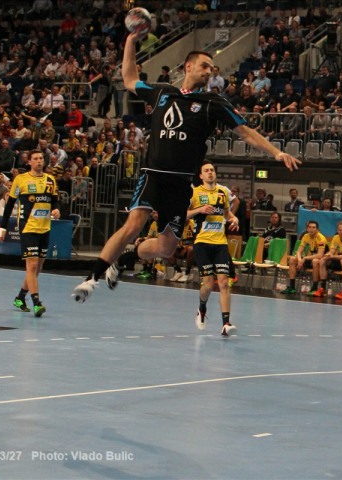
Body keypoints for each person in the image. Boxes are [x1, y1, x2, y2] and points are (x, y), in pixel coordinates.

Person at [72, 33, 301, 303]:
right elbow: (130, 79)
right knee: (133, 225)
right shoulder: (162, 92)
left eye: (212, 69)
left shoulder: (213, 103)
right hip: (153, 175)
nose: (209, 72)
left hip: (181, 184)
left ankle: (124, 259)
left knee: (166, 248)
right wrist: (130, 42)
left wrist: (276, 152)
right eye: (204, 66)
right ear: (188, 66)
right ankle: (91, 279)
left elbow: (245, 132)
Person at [0, 150, 60, 317]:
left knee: (38, 267)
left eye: (41, 158)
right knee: (31, 266)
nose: (39, 161)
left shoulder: (50, 180)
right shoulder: (21, 179)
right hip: (28, 228)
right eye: (36, 159)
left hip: (44, 228)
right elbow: (10, 204)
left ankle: (20, 298)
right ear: (30, 162)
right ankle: (37, 303)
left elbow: (55, 201)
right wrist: (3, 228)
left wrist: (56, 210)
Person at [187, 162, 239, 336]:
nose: (210, 173)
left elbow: (227, 213)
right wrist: (200, 209)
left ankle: (226, 324)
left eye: (212, 170)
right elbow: (183, 214)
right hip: (202, 243)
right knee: (208, 285)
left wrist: (234, 219)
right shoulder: (195, 193)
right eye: (206, 171)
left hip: (220, 243)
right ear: (201, 176)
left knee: (223, 282)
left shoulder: (222, 192)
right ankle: (202, 308)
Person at [279, 220, 327, 295]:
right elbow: (299, 251)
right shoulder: (306, 236)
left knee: (315, 261)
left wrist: (304, 258)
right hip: (311, 258)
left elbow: (320, 255)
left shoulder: (321, 238)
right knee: (292, 259)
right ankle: (292, 287)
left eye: (313, 227)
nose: (311, 229)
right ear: (307, 228)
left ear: (317, 229)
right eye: (309, 227)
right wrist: (299, 260)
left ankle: (314, 288)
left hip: (323, 261)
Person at [317, 221, 342, 298]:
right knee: (322, 260)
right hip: (337, 259)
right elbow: (332, 251)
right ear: (337, 230)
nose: (341, 232)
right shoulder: (336, 238)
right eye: (340, 230)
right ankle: (323, 288)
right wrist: (327, 255)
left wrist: (332, 256)